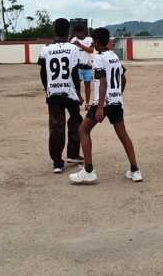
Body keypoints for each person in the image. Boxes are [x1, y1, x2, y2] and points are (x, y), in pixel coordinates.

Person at [70, 28, 142, 183]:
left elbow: (102, 82)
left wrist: (100, 107)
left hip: (103, 102)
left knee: (83, 130)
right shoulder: (114, 56)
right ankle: (135, 170)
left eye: (93, 42)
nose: (93, 45)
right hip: (116, 101)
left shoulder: (99, 58)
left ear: (96, 42)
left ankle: (88, 170)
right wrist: (118, 95)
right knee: (123, 135)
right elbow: (123, 79)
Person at [38, 18, 84, 173]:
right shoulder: (73, 49)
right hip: (70, 92)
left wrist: (47, 88)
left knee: (56, 126)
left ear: (55, 30)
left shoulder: (46, 49)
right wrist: (79, 93)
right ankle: (73, 154)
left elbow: (43, 72)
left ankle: (57, 162)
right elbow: (74, 73)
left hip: (54, 93)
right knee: (75, 120)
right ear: (68, 32)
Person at [71, 25, 94, 110]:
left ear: (81, 32)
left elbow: (91, 50)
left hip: (87, 66)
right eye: (75, 33)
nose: (76, 35)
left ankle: (87, 103)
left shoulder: (89, 40)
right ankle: (77, 100)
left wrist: (80, 45)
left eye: (77, 33)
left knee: (87, 85)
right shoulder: (73, 40)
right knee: (77, 84)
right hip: (78, 66)